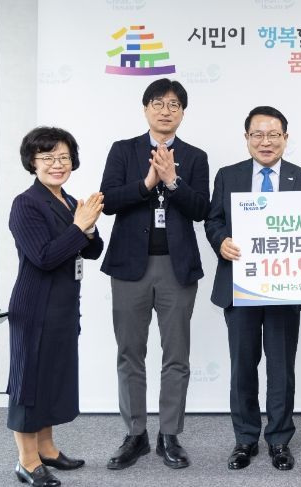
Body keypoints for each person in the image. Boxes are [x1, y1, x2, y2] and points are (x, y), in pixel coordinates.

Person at [100, 78, 209, 470]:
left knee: (176, 355)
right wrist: (148, 183)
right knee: (130, 353)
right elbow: (108, 201)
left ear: (183, 113)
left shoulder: (194, 156)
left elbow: (201, 208)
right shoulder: (123, 150)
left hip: (177, 269)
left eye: (174, 104)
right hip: (130, 267)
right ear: (146, 108)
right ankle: (135, 434)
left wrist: (172, 182)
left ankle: (169, 435)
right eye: (159, 103)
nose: (166, 110)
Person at [206, 106, 301, 471]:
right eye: (258, 135)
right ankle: (245, 439)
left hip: (284, 288)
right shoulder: (228, 175)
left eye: (273, 135)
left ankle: (279, 440)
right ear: (247, 138)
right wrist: (221, 241)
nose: (266, 142)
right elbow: (213, 220)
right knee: (243, 366)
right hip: (239, 286)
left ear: (285, 137)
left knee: (281, 369)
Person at [7, 127, 104, 486]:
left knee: (50, 378)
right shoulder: (26, 204)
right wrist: (79, 227)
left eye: (63, 157)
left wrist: (87, 228)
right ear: (32, 162)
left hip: (63, 306)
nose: (57, 164)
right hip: (35, 307)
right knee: (29, 384)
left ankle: (47, 449)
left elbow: (93, 250)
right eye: (47, 157)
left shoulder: (69, 201)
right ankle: (27, 461)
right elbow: (44, 257)